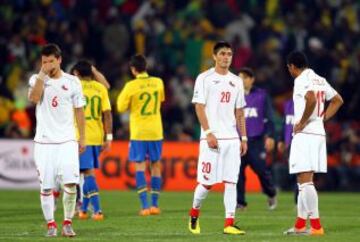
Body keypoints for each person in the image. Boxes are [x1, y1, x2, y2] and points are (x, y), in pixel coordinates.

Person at [188, 41, 248, 235]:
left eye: (229, 54)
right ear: (214, 56)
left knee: (231, 181)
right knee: (207, 183)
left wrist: (244, 138)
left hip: (231, 138)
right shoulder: (204, 78)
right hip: (211, 138)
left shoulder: (237, 81)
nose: (226, 57)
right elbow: (199, 106)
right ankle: (194, 213)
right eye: (222, 53)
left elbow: (239, 112)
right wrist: (208, 132)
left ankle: (229, 223)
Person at [28, 44, 86, 237]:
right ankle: (51, 225)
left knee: (70, 184)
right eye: (44, 62)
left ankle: (67, 223)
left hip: (67, 140)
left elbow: (79, 111)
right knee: (46, 186)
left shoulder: (73, 82)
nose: (47, 65)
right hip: (44, 142)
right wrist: (41, 77)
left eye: (51, 61)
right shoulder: (36, 79)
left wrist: (82, 138)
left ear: (59, 60)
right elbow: (34, 98)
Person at [284, 51, 343, 235]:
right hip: (317, 133)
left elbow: (310, 98)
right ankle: (301, 224)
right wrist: (322, 119)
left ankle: (316, 226)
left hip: (306, 134)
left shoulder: (300, 80)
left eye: (289, 68)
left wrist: (301, 122)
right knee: (302, 180)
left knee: (305, 181)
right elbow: (337, 100)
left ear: (292, 67)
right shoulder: (320, 79)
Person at [117, 54, 165, 216]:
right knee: (156, 165)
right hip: (156, 130)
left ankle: (144, 207)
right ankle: (155, 205)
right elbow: (161, 100)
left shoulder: (131, 86)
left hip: (139, 131)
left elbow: (120, 107)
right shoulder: (158, 82)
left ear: (133, 69)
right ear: (146, 67)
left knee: (140, 166)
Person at [71, 60, 113, 220]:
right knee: (85, 171)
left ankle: (97, 210)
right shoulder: (100, 88)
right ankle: (82, 209)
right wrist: (108, 137)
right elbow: (107, 114)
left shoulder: (74, 87)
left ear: (77, 73)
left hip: (80, 135)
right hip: (96, 134)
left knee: (86, 173)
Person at [236, 67, 277, 210]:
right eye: (240, 77)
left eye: (246, 77)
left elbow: (269, 117)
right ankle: (240, 203)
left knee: (261, 170)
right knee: (238, 173)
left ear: (252, 79)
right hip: (238, 141)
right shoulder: (234, 96)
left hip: (256, 141)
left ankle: (271, 193)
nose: (242, 80)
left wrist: (271, 136)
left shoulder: (262, 95)